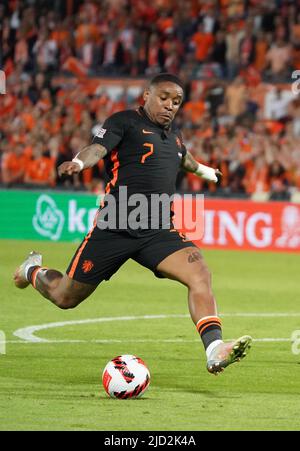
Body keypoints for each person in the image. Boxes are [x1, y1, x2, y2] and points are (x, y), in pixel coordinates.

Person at [14, 73, 252, 375]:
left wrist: (206, 172)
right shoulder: (123, 122)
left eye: (176, 101)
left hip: (158, 231)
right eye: (164, 98)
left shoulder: (175, 137)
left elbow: (185, 159)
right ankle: (31, 269)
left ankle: (214, 349)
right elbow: (96, 149)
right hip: (114, 226)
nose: (169, 106)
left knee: (199, 272)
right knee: (65, 297)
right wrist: (78, 162)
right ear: (146, 96)